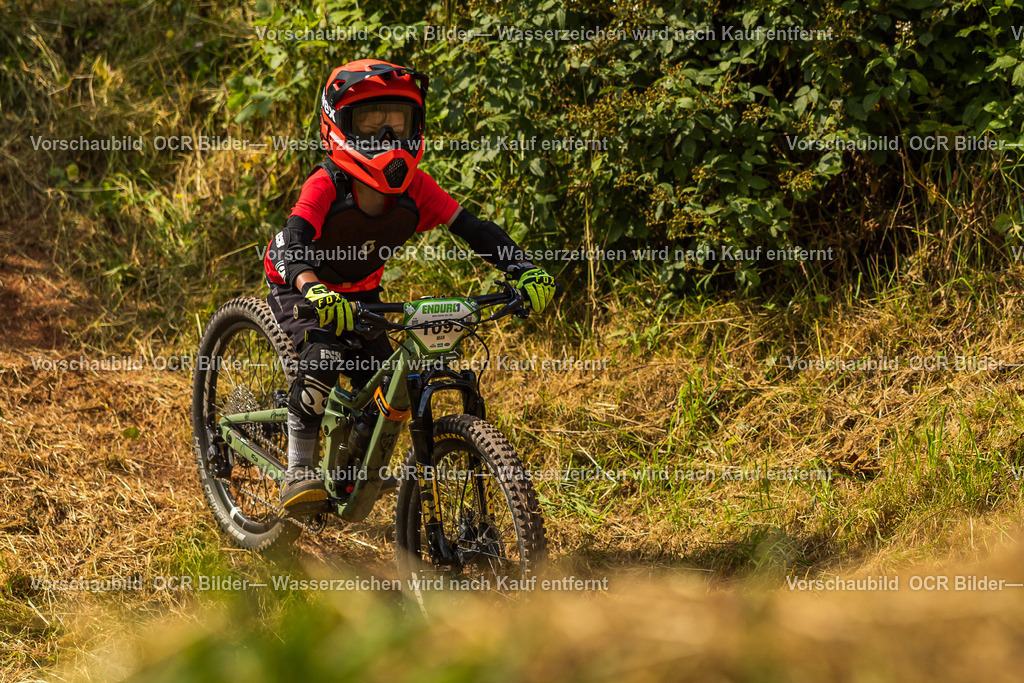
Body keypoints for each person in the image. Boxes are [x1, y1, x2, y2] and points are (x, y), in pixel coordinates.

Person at [262, 59, 556, 515]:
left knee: (380, 389)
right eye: (372, 126)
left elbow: (473, 229)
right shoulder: (326, 184)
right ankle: (299, 469)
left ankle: (350, 469)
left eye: (397, 125)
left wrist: (522, 267)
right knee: (322, 358)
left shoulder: (417, 188)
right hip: (298, 281)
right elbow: (295, 237)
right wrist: (312, 286)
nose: (388, 141)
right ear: (336, 125)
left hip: (361, 291)